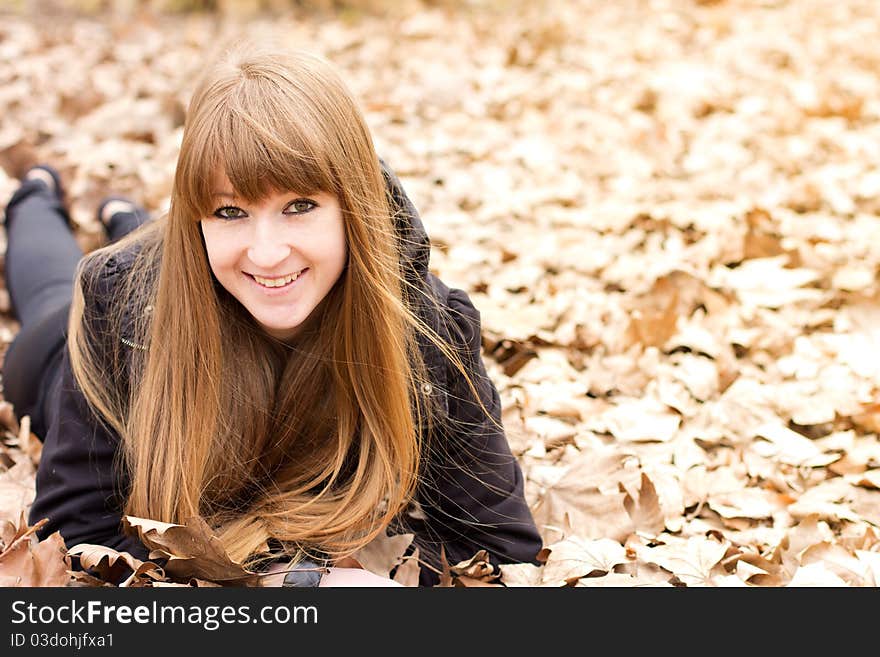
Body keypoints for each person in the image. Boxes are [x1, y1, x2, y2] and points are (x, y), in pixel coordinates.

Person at [1, 42, 542, 587]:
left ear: (352, 203)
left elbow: (501, 549)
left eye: (299, 206)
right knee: (50, 287)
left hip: (197, 269)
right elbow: (76, 536)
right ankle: (36, 192)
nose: (267, 252)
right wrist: (289, 584)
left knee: (164, 244)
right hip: (62, 353)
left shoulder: (425, 325)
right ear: (198, 221)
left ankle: (123, 214)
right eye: (229, 211)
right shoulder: (116, 305)